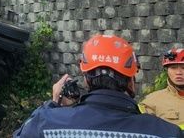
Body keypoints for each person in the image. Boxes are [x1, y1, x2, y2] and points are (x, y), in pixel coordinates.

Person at [13, 34, 183, 137]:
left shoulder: (47, 123)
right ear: (130, 80)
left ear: (86, 79)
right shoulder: (166, 132)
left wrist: (53, 104)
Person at [141, 47, 184, 128]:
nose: (178, 72)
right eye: (173, 68)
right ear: (167, 71)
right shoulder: (151, 101)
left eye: (183, 68)